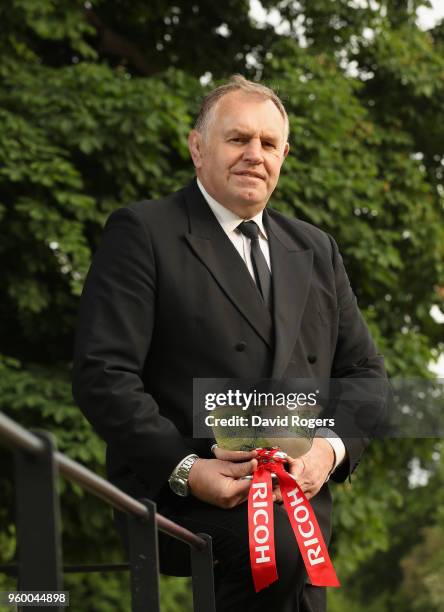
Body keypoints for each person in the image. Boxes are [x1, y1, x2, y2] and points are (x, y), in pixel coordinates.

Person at [72, 75, 386, 611]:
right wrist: (187, 469)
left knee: (293, 561)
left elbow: (367, 378)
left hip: (300, 501)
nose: (254, 155)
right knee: (280, 556)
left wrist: (326, 453)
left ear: (284, 154)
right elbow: (103, 373)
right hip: (183, 488)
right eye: (237, 139)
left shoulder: (315, 248)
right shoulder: (143, 232)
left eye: (268, 144)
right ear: (198, 147)